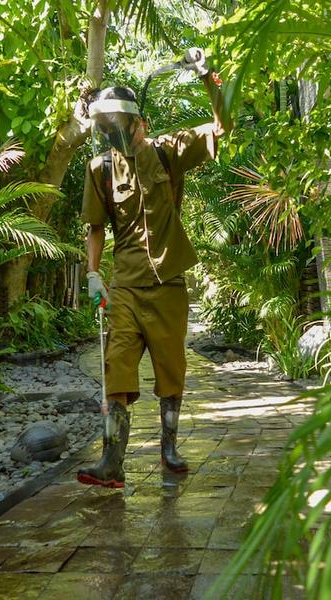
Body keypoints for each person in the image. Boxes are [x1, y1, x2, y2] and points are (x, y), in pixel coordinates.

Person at [77, 49, 231, 488]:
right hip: (126, 284)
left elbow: (222, 126)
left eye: (119, 126)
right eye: (107, 129)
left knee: (171, 367)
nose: (115, 135)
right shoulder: (100, 169)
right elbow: (95, 227)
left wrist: (209, 77)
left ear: (139, 124)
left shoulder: (168, 152)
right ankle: (112, 460)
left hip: (168, 281)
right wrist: (93, 273)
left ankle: (169, 447)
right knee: (117, 364)